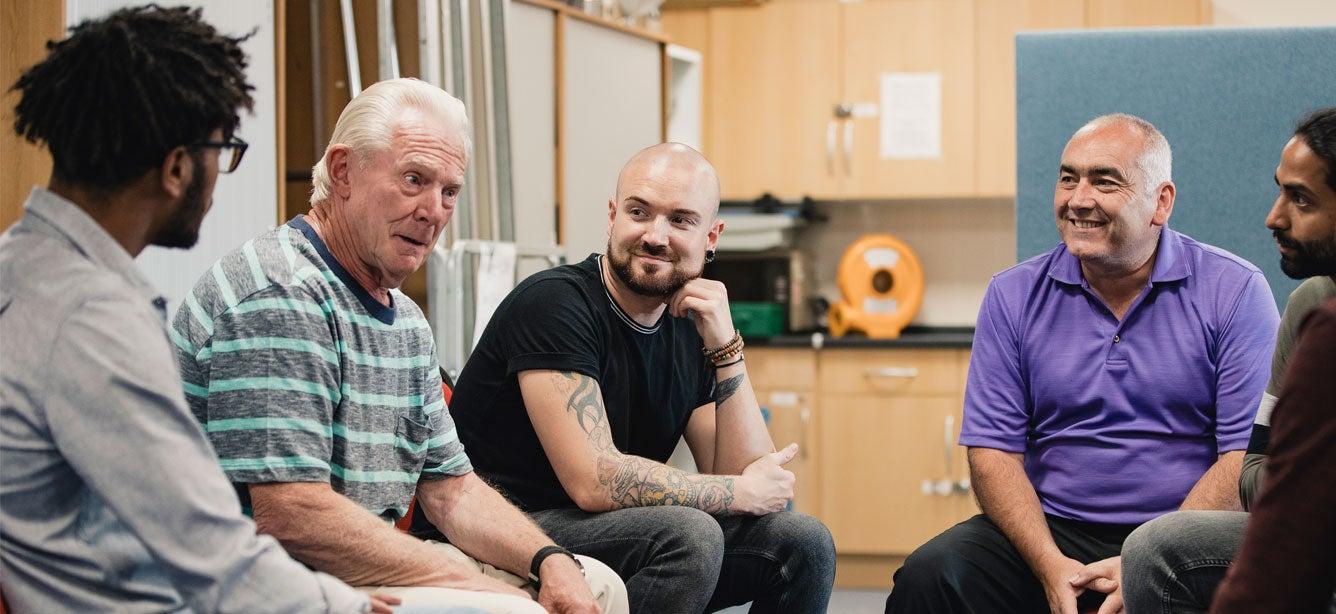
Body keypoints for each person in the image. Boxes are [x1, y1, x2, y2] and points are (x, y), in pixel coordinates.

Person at [171, 78, 626, 614]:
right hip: (266, 585)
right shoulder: (283, 294)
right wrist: (463, 579)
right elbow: (291, 515)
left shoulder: (405, 319)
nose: (433, 210)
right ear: (342, 172)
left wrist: (549, 559)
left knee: (592, 583)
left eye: (449, 191)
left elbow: (453, 491)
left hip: (352, 567)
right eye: (414, 180)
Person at [0, 6, 383, 612]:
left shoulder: (20, 269)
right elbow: (212, 555)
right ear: (177, 167)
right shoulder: (90, 319)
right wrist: (346, 607)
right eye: (223, 150)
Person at [884, 114, 1279, 614]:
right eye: (1068, 177)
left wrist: (1145, 559)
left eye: (1104, 181)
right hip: (1052, 530)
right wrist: (1050, 565)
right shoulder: (1013, 295)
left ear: (1161, 202)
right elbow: (992, 451)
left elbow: (1242, 456)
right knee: (931, 576)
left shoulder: (1235, 291)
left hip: (1183, 530)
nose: (1078, 199)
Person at [447, 142, 836, 614]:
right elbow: (594, 479)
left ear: (711, 236)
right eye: (639, 212)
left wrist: (726, 347)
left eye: (680, 220)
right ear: (612, 216)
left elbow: (741, 475)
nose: (655, 235)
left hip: (602, 526)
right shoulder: (555, 303)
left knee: (804, 543)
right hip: (509, 524)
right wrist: (738, 491)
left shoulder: (688, 325)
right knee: (689, 536)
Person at [1120, 107, 1336, 613]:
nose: (1274, 216)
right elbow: (1257, 469)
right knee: (1159, 548)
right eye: (1281, 190)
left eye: (1300, 198)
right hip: (1310, 519)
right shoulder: (1312, 309)